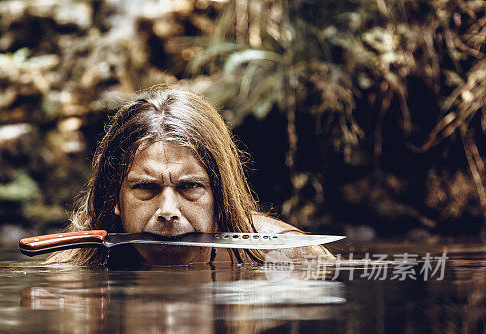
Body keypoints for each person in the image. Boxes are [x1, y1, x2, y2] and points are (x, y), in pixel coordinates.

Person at [46, 86, 333, 267]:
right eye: (146, 188)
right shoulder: (71, 267)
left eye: (190, 186)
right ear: (115, 198)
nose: (168, 211)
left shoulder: (287, 254)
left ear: (219, 196)